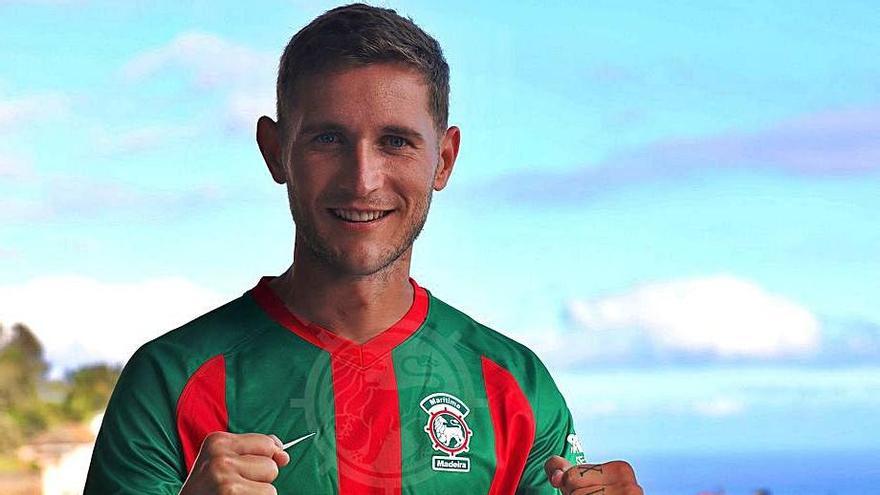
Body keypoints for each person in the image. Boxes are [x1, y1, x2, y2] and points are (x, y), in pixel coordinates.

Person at [84, 3, 641, 494]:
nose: (363, 179)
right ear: (275, 151)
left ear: (444, 159)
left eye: (395, 142)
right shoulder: (170, 380)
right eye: (328, 139)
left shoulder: (517, 387)